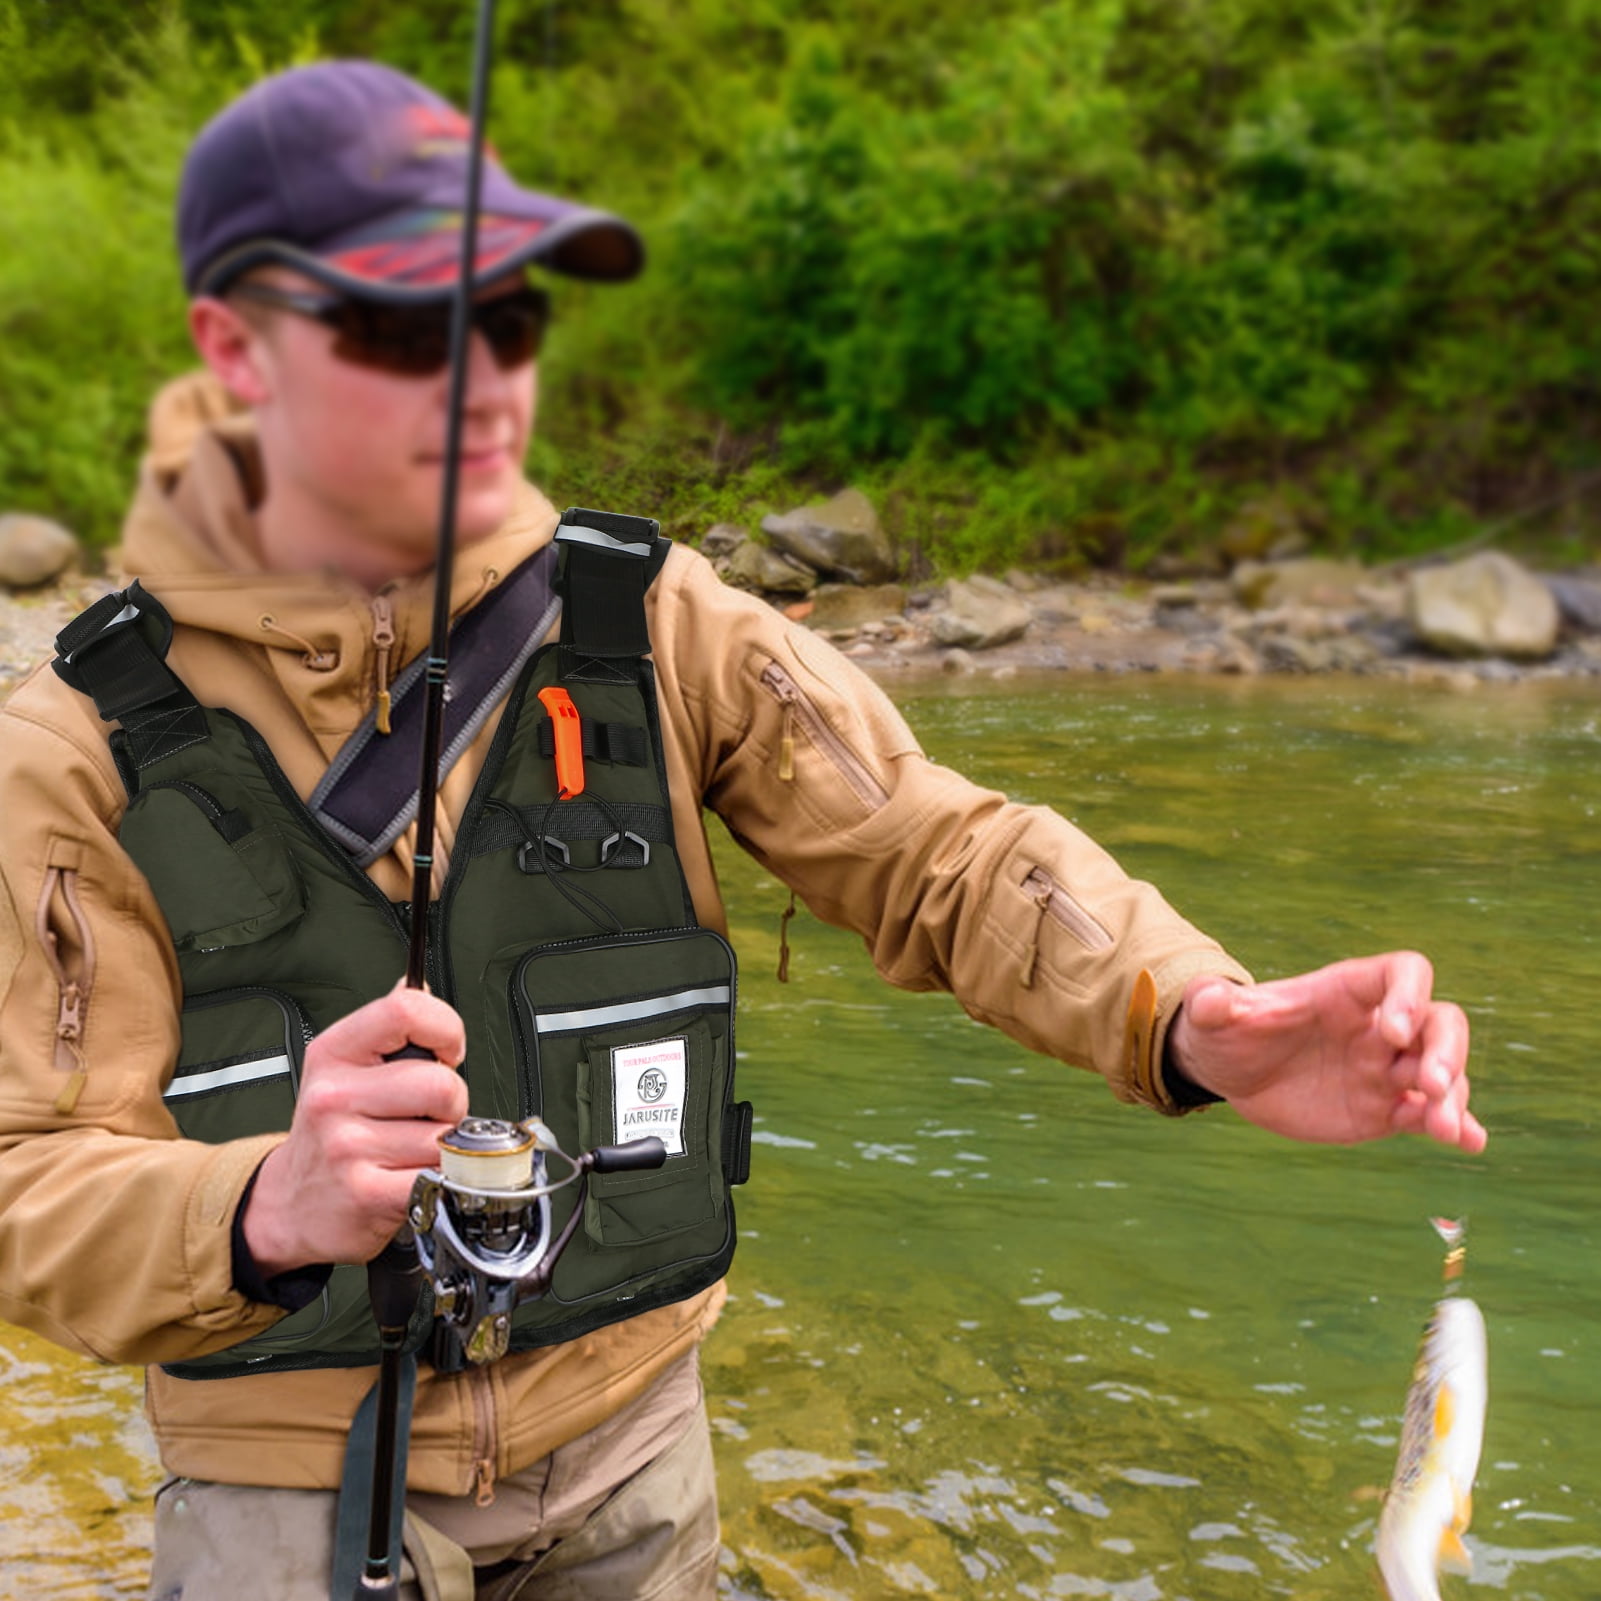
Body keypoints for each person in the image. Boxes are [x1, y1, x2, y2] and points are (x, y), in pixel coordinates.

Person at [0, 58, 1483, 1601]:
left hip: (639, 1442)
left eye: (509, 314)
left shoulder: (651, 619)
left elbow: (935, 851)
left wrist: (1189, 1015)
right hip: (282, 1480)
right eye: (398, 322)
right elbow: (24, 1178)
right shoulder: (67, 751)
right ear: (231, 348)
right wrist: (253, 1207)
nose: (485, 374)